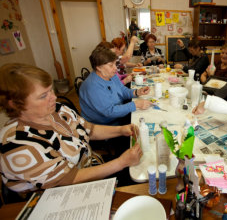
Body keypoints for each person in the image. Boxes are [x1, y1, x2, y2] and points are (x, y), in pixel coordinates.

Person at [0, 63, 142, 194]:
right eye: (44, 96)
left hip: (91, 168)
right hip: (64, 195)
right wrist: (122, 162)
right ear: (15, 104)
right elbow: (69, 179)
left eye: (51, 90)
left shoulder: (58, 110)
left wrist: (121, 130)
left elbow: (88, 129)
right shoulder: (16, 144)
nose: (54, 97)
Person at [79, 46, 152, 126]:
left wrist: (136, 92)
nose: (115, 68)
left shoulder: (111, 75)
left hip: (117, 115)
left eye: (115, 64)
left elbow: (122, 90)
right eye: (111, 65)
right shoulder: (92, 87)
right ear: (99, 67)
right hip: (104, 126)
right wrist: (135, 104)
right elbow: (110, 112)